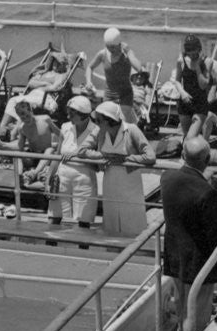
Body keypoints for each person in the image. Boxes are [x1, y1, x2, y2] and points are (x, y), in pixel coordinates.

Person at [160, 136, 217, 331]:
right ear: (207, 159)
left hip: (174, 255)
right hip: (199, 262)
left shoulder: (167, 178)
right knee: (197, 314)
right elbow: (214, 234)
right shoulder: (206, 192)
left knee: (182, 309)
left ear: (182, 156)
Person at [78, 101, 156, 236]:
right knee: (112, 218)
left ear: (109, 120)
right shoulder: (99, 131)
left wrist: (127, 159)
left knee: (132, 219)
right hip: (110, 181)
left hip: (130, 182)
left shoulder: (132, 130)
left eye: (98, 120)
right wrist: (103, 155)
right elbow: (82, 150)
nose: (95, 122)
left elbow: (150, 156)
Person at [48, 95, 98, 229]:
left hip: (84, 178)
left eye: (72, 114)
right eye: (68, 113)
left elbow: (101, 157)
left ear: (83, 115)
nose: (68, 117)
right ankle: (50, 246)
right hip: (62, 176)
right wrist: (48, 178)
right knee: (55, 215)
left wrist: (78, 155)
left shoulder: (96, 131)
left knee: (84, 219)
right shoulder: (65, 127)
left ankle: (82, 249)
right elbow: (57, 155)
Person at [167, 34, 217, 140]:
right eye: (188, 50)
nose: (191, 53)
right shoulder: (181, 61)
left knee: (191, 138)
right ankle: (188, 155)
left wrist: (197, 66)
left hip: (200, 104)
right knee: (186, 137)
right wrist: (182, 93)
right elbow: (177, 81)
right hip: (184, 102)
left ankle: (201, 152)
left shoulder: (207, 62)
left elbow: (203, 85)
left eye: (194, 49)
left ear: (199, 49)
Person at [85, 27, 144, 124]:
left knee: (122, 123)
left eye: (113, 47)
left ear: (119, 44)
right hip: (109, 95)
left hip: (125, 95)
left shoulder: (126, 53)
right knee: (107, 123)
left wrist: (129, 52)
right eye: (108, 46)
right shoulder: (102, 54)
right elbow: (90, 67)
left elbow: (139, 68)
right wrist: (88, 81)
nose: (111, 49)